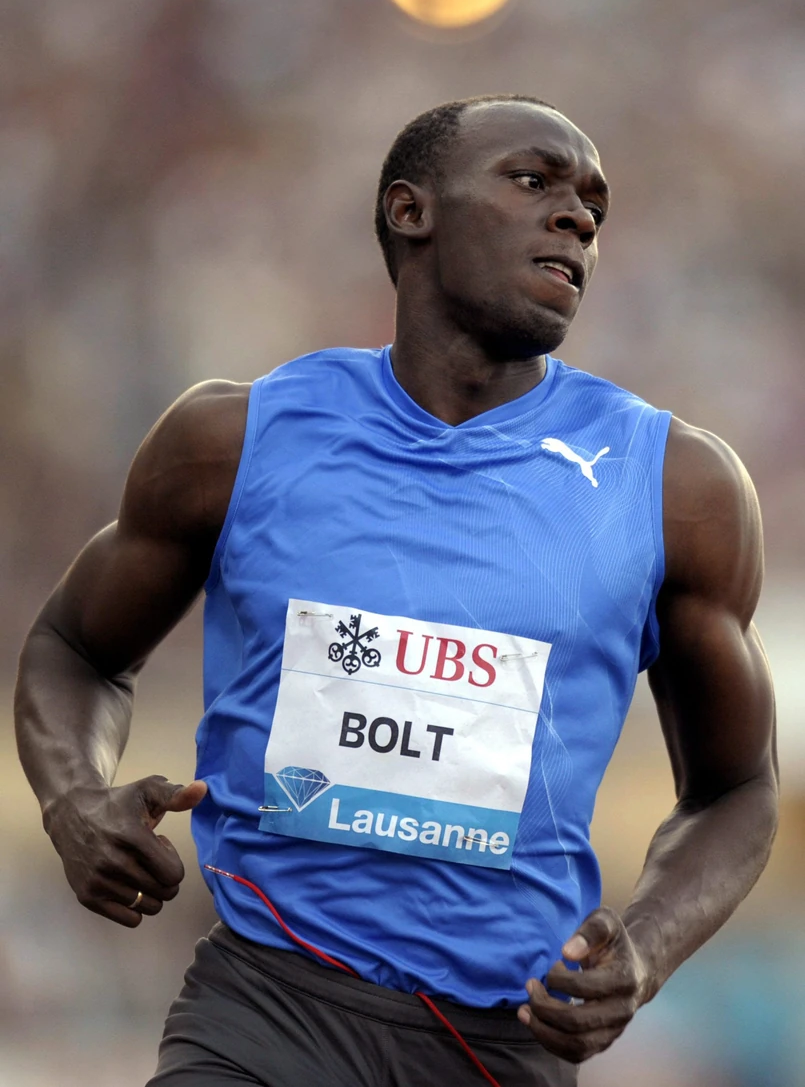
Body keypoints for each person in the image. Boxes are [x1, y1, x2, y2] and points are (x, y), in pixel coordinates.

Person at [15, 96, 778, 1087]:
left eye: (594, 207)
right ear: (409, 209)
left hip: (501, 1043)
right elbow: (75, 649)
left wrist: (646, 948)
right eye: (534, 180)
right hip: (264, 1007)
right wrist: (74, 800)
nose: (578, 217)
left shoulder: (676, 487)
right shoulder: (234, 440)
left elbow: (737, 787)